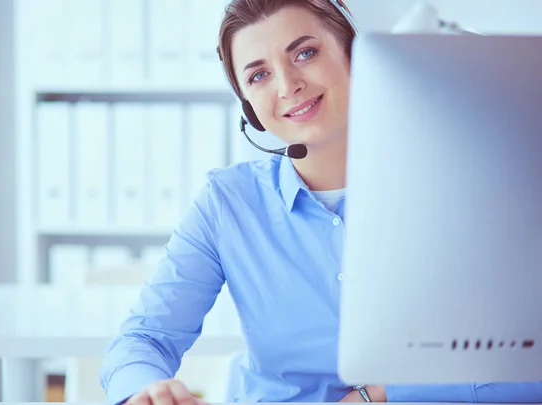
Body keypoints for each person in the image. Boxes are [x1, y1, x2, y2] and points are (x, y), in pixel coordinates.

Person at [100, 1, 542, 404]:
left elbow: (528, 367)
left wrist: (382, 395)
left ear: (355, 56)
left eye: (305, 53)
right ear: (250, 109)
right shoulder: (227, 203)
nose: (288, 85)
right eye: (258, 75)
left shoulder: (471, 185)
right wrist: (147, 391)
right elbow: (143, 340)